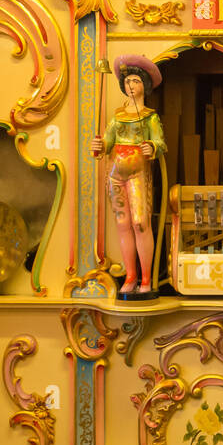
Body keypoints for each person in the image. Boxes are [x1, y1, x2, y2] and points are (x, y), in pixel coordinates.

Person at [91, 55, 166, 295]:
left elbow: (160, 142)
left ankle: (146, 279)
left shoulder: (150, 117)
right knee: (123, 224)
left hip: (138, 172)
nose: (130, 86)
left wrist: (152, 147)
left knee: (140, 222)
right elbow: (108, 141)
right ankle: (130, 276)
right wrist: (99, 145)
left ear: (144, 84)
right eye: (127, 81)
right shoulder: (117, 117)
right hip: (115, 173)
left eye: (135, 81)